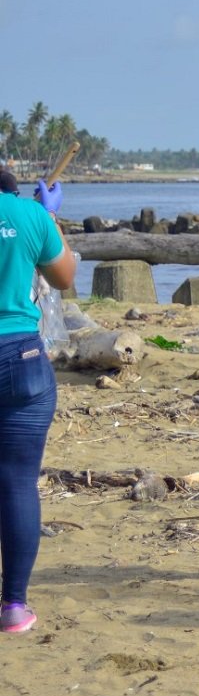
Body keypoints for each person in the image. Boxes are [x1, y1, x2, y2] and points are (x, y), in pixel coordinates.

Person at [1, 177, 76, 633]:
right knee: (16, 484)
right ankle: (13, 605)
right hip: (20, 356)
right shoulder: (27, 215)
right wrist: (48, 216)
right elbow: (63, 277)